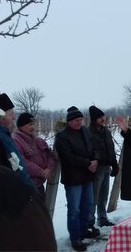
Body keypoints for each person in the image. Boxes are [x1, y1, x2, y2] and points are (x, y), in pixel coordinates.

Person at [55, 106, 101, 251]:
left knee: (87, 205)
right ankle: (75, 238)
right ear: (69, 121)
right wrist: (88, 163)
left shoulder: (85, 131)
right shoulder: (62, 136)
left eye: (80, 119)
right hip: (73, 178)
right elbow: (68, 157)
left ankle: (83, 230)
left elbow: (95, 147)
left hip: (88, 176)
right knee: (74, 209)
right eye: (76, 120)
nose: (79, 122)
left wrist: (96, 160)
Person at [12, 112, 56, 199]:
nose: (33, 127)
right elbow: (22, 161)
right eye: (30, 124)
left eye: (34, 124)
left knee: (41, 211)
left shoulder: (38, 140)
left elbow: (50, 155)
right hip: (25, 186)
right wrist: (41, 172)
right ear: (21, 126)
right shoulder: (15, 140)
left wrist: (49, 169)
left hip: (39, 185)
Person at [88, 105, 119, 227]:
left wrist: (114, 164)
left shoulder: (106, 131)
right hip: (96, 168)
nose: (103, 119)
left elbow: (110, 148)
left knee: (103, 195)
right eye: (100, 117)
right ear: (94, 119)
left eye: (103, 116)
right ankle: (90, 220)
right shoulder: (89, 132)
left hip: (107, 166)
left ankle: (102, 217)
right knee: (94, 196)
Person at [0, 93, 34, 187]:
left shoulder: (5, 134)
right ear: (0, 116)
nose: (13, 117)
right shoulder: (0, 136)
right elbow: (15, 165)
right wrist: (28, 186)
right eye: (10, 114)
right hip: (16, 188)